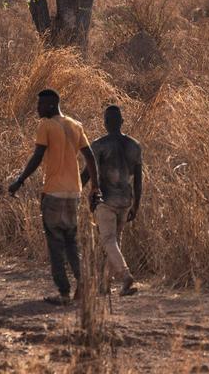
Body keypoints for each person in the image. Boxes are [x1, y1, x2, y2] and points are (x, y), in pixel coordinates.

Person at [8, 89, 102, 306]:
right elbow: (90, 157)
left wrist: (19, 181)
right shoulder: (75, 125)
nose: (37, 108)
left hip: (53, 193)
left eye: (40, 104)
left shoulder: (46, 125)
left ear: (50, 105)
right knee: (71, 242)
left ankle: (63, 293)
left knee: (55, 244)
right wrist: (94, 187)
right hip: (74, 194)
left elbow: (37, 156)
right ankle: (84, 283)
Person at [83, 105, 142, 296]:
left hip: (105, 200)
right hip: (125, 200)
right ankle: (105, 285)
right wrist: (136, 205)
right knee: (115, 241)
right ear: (122, 122)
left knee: (108, 240)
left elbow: (86, 174)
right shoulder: (134, 145)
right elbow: (138, 181)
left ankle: (126, 276)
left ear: (105, 123)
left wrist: (72, 190)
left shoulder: (98, 145)